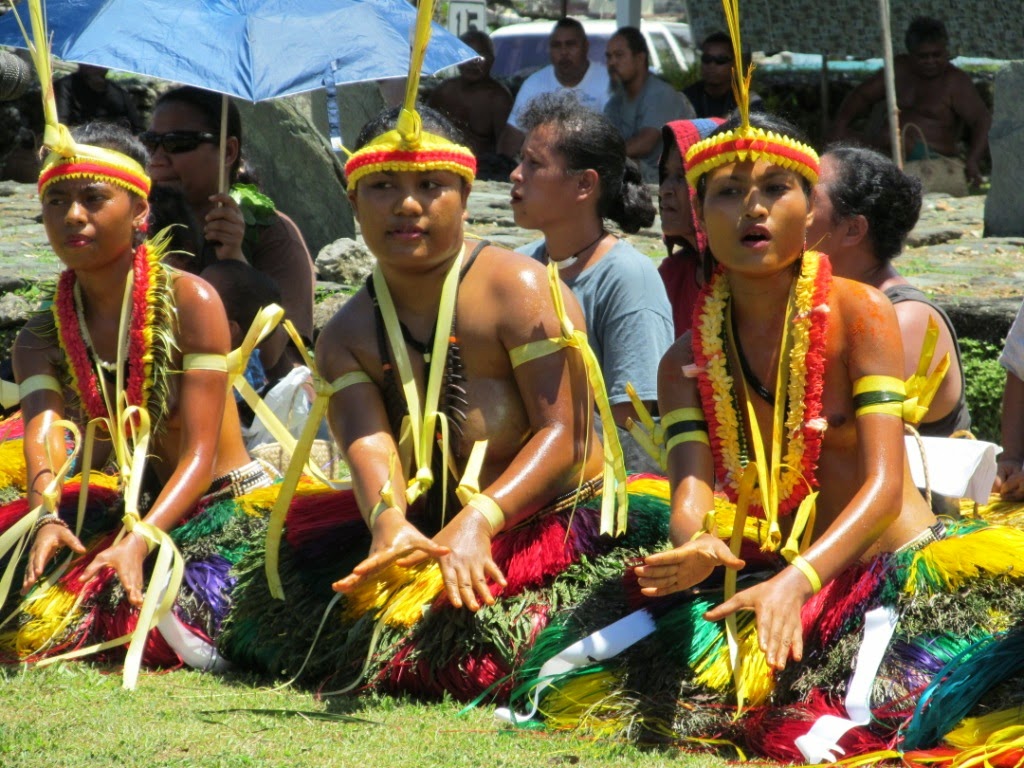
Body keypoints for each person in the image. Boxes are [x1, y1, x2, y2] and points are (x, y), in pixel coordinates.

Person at [504, 20, 1024, 759]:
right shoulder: (686, 355)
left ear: (808, 211)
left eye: (775, 189)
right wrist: (697, 543)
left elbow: (881, 483)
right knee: (576, 682)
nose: (751, 209)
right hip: (760, 566)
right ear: (700, 214)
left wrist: (803, 579)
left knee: (889, 721)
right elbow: (690, 486)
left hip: (883, 572)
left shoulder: (861, 314)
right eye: (726, 193)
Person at [218, 101, 668, 695]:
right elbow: (368, 439)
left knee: (498, 656)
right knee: (279, 624)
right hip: (428, 530)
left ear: (463, 191)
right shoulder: (348, 332)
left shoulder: (522, 290)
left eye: (430, 185)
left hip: (552, 525)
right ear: (352, 201)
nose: (407, 205)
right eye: (382, 186)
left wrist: (479, 520)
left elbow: (568, 434)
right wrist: (387, 521)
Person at [0, 114, 274, 679]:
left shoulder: (191, 299)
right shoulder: (40, 335)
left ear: (141, 211)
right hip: (129, 501)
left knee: (189, 623)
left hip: (219, 504)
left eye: (94, 199)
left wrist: (143, 538)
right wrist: (46, 510)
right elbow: (43, 429)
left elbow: (199, 451)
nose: (73, 216)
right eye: (57, 202)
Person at [510, 92, 673, 473]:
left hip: (598, 491)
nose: (516, 174)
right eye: (521, 160)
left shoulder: (627, 278)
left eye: (534, 164)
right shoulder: (517, 266)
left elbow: (632, 430)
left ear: (584, 184)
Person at [144, 86, 317, 381]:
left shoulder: (272, 234)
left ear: (228, 151)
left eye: (177, 143)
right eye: (151, 143)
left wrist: (235, 261)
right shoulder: (134, 225)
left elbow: (281, 358)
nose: (158, 159)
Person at [806, 145, 970, 437]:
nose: (787, 206)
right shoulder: (821, 299)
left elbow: (842, 437)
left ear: (853, 230)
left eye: (808, 198)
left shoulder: (904, 319)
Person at [830, 16, 991, 189]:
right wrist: (841, 123)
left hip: (932, 156)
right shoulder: (900, 68)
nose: (930, 61)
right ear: (910, 54)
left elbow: (982, 120)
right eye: (923, 56)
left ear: (945, 51)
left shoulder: (955, 81)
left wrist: (973, 160)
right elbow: (862, 95)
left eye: (936, 55)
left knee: (892, 137)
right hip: (886, 150)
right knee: (837, 136)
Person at [496, 17, 610, 160]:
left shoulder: (607, 82)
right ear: (550, 50)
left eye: (570, 44)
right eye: (557, 45)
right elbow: (512, 137)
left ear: (586, 46)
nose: (564, 52)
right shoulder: (533, 84)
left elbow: (613, 139)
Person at [657, 117, 723, 336]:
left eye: (681, 176)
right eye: (665, 176)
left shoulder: (752, 282)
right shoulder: (671, 276)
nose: (664, 190)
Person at [603, 26, 695, 183]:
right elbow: (606, 141)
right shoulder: (614, 103)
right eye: (609, 56)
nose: (612, 62)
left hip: (672, 182)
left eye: (619, 55)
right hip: (635, 182)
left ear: (640, 58)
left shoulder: (661, 93)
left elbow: (645, 143)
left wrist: (602, 156)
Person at [426, 29, 513, 177]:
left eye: (480, 55)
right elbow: (426, 135)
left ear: (491, 60)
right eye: (466, 54)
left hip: (483, 174)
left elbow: (505, 154)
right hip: (443, 168)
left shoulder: (498, 99)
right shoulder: (444, 92)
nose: (473, 62)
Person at [682, 32, 760, 119]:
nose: (712, 65)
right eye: (707, 59)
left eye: (721, 60)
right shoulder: (685, 98)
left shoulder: (748, 99)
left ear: (734, 64)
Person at [54, 64, 143, 132]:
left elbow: (136, 128)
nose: (95, 67)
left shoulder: (119, 93)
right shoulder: (65, 86)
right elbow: (60, 123)